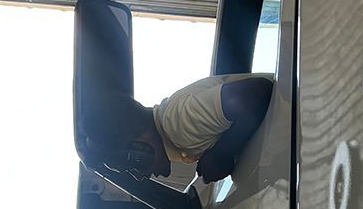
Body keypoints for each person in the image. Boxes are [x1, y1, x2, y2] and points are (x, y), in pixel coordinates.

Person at [79, 72, 274, 185]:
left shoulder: (178, 124)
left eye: (132, 166)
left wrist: (221, 154)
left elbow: (257, 93)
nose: (139, 177)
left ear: (141, 146)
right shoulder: (172, 134)